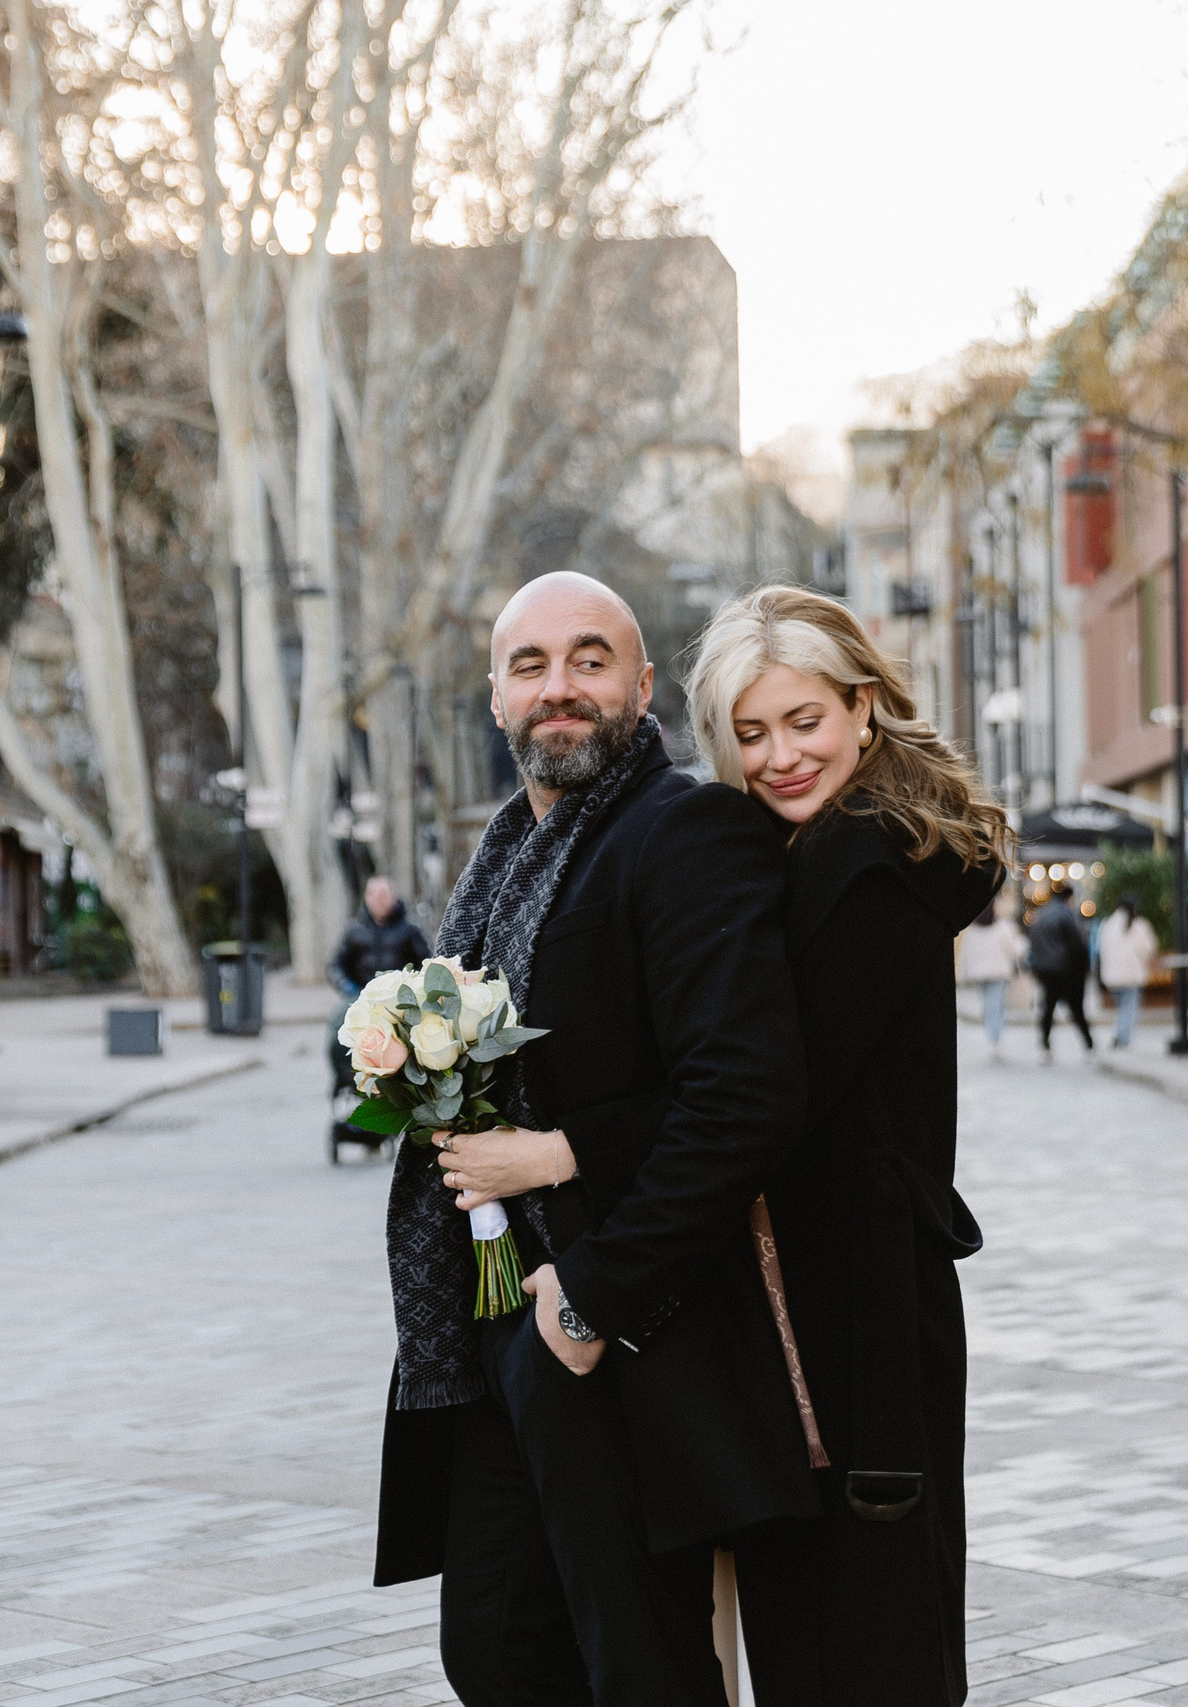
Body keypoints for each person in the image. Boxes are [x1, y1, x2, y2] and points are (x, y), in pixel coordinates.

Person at [375, 571, 816, 1707]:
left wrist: (584, 1298)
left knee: (643, 1665)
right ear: (495, 697)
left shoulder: (685, 830)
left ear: (641, 684)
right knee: (495, 1648)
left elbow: (744, 1096)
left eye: (588, 659)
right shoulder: (499, 860)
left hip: (620, 1331)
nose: (559, 688)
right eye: (531, 666)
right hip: (491, 1329)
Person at [686, 584, 1007, 1707]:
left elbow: (770, 1091)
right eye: (750, 733)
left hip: (854, 1305)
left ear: (862, 709)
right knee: (866, 1621)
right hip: (845, 1297)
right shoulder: (848, 846)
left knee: (861, 1638)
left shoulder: (864, 862)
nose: (779, 756)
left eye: (803, 722)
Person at [335, 876, 433, 998]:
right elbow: (336, 966)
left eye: (382, 895)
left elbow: (426, 962)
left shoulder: (411, 930)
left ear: (393, 897)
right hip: (361, 995)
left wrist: (413, 984)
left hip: (401, 997)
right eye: (373, 895)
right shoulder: (354, 931)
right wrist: (344, 984)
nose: (378, 900)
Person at [1025, 890, 1094, 1060]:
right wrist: (1084, 968)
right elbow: (1077, 944)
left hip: (1046, 970)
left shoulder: (1040, 914)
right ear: (1069, 898)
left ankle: (1045, 1046)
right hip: (1065, 970)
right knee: (1076, 1009)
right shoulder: (1066, 914)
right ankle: (1089, 1046)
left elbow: (1033, 943)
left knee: (1048, 1009)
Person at [954, 903, 1023, 1063]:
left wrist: (964, 974)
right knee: (995, 1005)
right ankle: (995, 1039)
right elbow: (1016, 949)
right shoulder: (1002, 927)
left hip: (980, 973)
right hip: (998, 972)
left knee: (989, 1004)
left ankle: (993, 1037)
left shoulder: (972, 930)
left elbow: (966, 953)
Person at [1096, 900, 1159, 1050]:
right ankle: (1123, 1038)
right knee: (1128, 1008)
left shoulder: (1108, 924)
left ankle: (1120, 1034)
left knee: (1122, 1007)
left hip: (1111, 976)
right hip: (1131, 975)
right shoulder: (1139, 925)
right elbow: (1148, 948)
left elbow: (1100, 949)